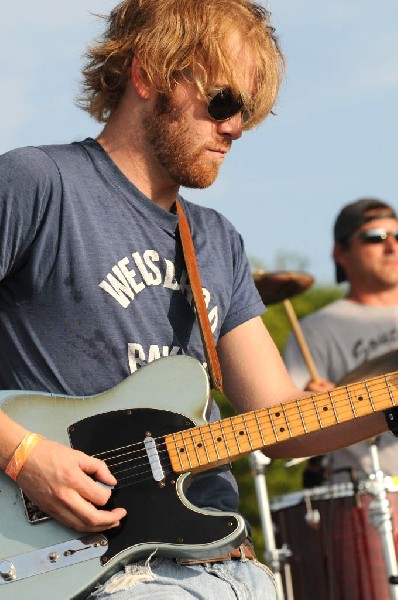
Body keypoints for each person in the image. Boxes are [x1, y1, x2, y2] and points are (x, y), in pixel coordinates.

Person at [0, 2, 390, 599]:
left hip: (229, 565)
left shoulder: (216, 240)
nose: (235, 128)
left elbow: (279, 421)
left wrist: (388, 405)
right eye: (224, 102)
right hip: (96, 568)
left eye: (248, 114)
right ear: (149, 73)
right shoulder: (37, 184)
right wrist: (21, 454)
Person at [284, 197, 398, 485]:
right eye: (375, 238)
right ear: (341, 253)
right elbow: (290, 434)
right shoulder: (315, 331)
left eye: (397, 235)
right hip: (367, 501)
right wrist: (309, 405)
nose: (391, 246)